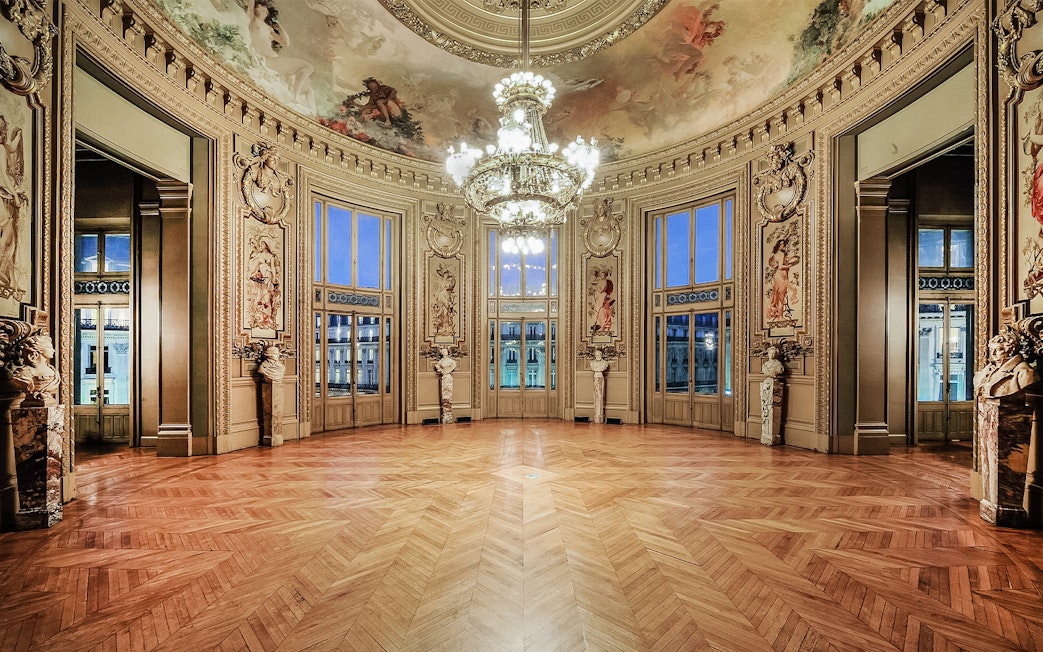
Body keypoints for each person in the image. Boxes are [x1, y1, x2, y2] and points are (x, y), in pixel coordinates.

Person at [247, 0, 315, 108]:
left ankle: (296, 96)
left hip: (274, 59)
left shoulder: (269, 29)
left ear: (267, 12)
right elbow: (251, 4)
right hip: (267, 59)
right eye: (257, 5)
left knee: (308, 72)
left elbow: (286, 42)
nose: (258, 7)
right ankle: (295, 97)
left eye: (262, 6)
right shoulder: (253, 21)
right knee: (307, 67)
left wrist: (279, 26)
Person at [973, 331, 1039, 398]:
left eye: (998, 349)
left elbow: (1029, 401)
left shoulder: (1025, 372)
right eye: (991, 349)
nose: (993, 353)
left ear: (1011, 350)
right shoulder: (987, 370)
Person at [10, 334, 60, 405]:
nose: (53, 350)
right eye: (49, 347)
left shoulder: (53, 371)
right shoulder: (23, 372)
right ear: (39, 350)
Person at [766, 238, 799, 322]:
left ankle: (778, 315)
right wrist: (789, 266)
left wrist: (791, 258)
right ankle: (780, 317)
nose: (783, 246)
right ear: (778, 245)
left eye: (783, 244)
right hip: (781, 276)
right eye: (781, 244)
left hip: (777, 275)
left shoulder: (774, 254)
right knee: (781, 296)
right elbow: (780, 266)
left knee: (777, 295)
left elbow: (773, 263)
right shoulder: (780, 254)